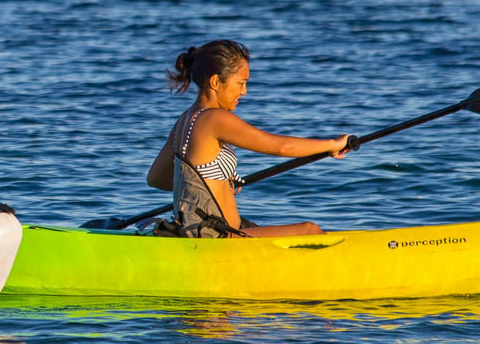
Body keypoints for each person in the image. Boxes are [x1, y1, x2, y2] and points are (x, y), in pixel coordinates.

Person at [145, 40, 352, 238]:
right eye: (241, 83)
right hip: (217, 237)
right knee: (310, 230)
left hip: (208, 231)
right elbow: (280, 147)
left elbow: (155, 179)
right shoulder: (214, 118)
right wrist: (332, 145)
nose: (244, 92)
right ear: (216, 81)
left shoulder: (184, 120)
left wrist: (216, 182)